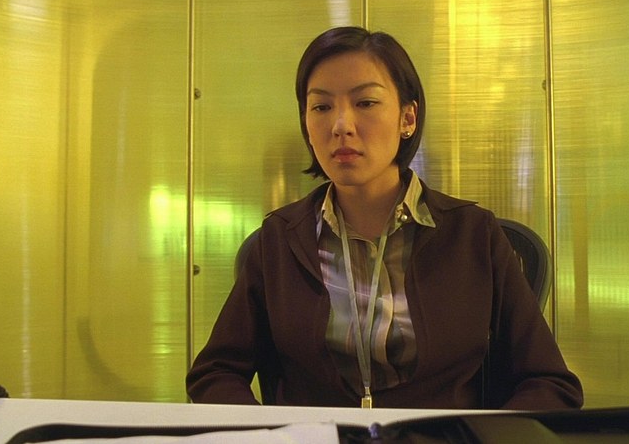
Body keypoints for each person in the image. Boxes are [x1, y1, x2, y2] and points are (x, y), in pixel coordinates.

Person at [186, 26, 583, 410]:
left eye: (365, 103)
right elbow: (215, 373)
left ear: (407, 118)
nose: (341, 126)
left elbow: (549, 383)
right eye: (321, 107)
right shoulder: (281, 239)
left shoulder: (473, 234)